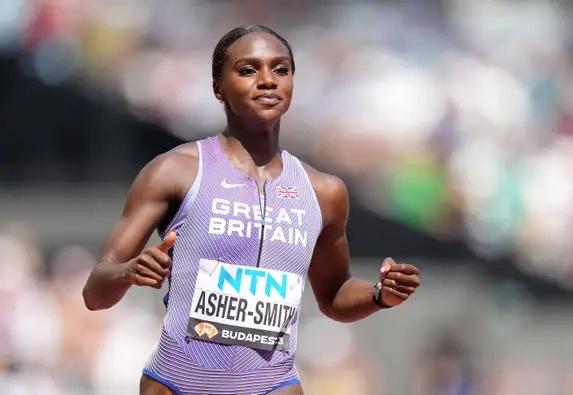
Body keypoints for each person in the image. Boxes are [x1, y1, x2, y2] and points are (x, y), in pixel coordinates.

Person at [82, 25, 421, 395]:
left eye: (281, 69)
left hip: (272, 386)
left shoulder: (324, 191)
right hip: (178, 384)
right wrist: (129, 272)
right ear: (218, 87)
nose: (267, 81)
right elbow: (94, 293)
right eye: (248, 70)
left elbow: (335, 295)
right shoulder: (175, 171)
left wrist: (378, 295)